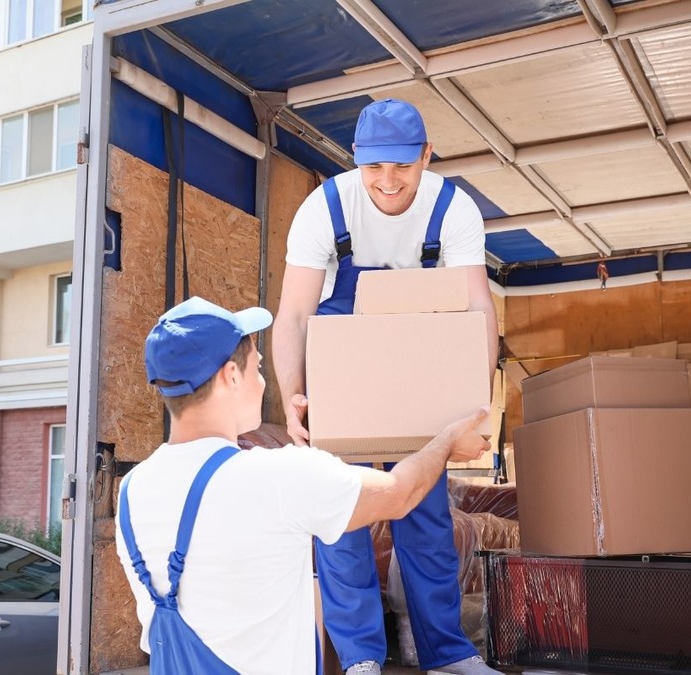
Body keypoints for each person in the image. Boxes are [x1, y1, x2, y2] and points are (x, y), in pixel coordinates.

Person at [115, 296, 491, 675]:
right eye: (257, 369)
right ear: (230, 375)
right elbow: (399, 492)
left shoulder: (132, 492)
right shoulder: (280, 476)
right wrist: (445, 443)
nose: (262, 382)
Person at [272, 98, 501, 675]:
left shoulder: (453, 208)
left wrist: (478, 406)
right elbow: (294, 315)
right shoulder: (324, 207)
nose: (389, 181)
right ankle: (360, 660)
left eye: (402, 165)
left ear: (426, 155)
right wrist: (294, 399)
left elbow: (478, 309)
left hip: (415, 364)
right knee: (343, 514)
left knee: (424, 517)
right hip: (341, 365)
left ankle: (445, 653)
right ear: (356, 160)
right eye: (375, 167)